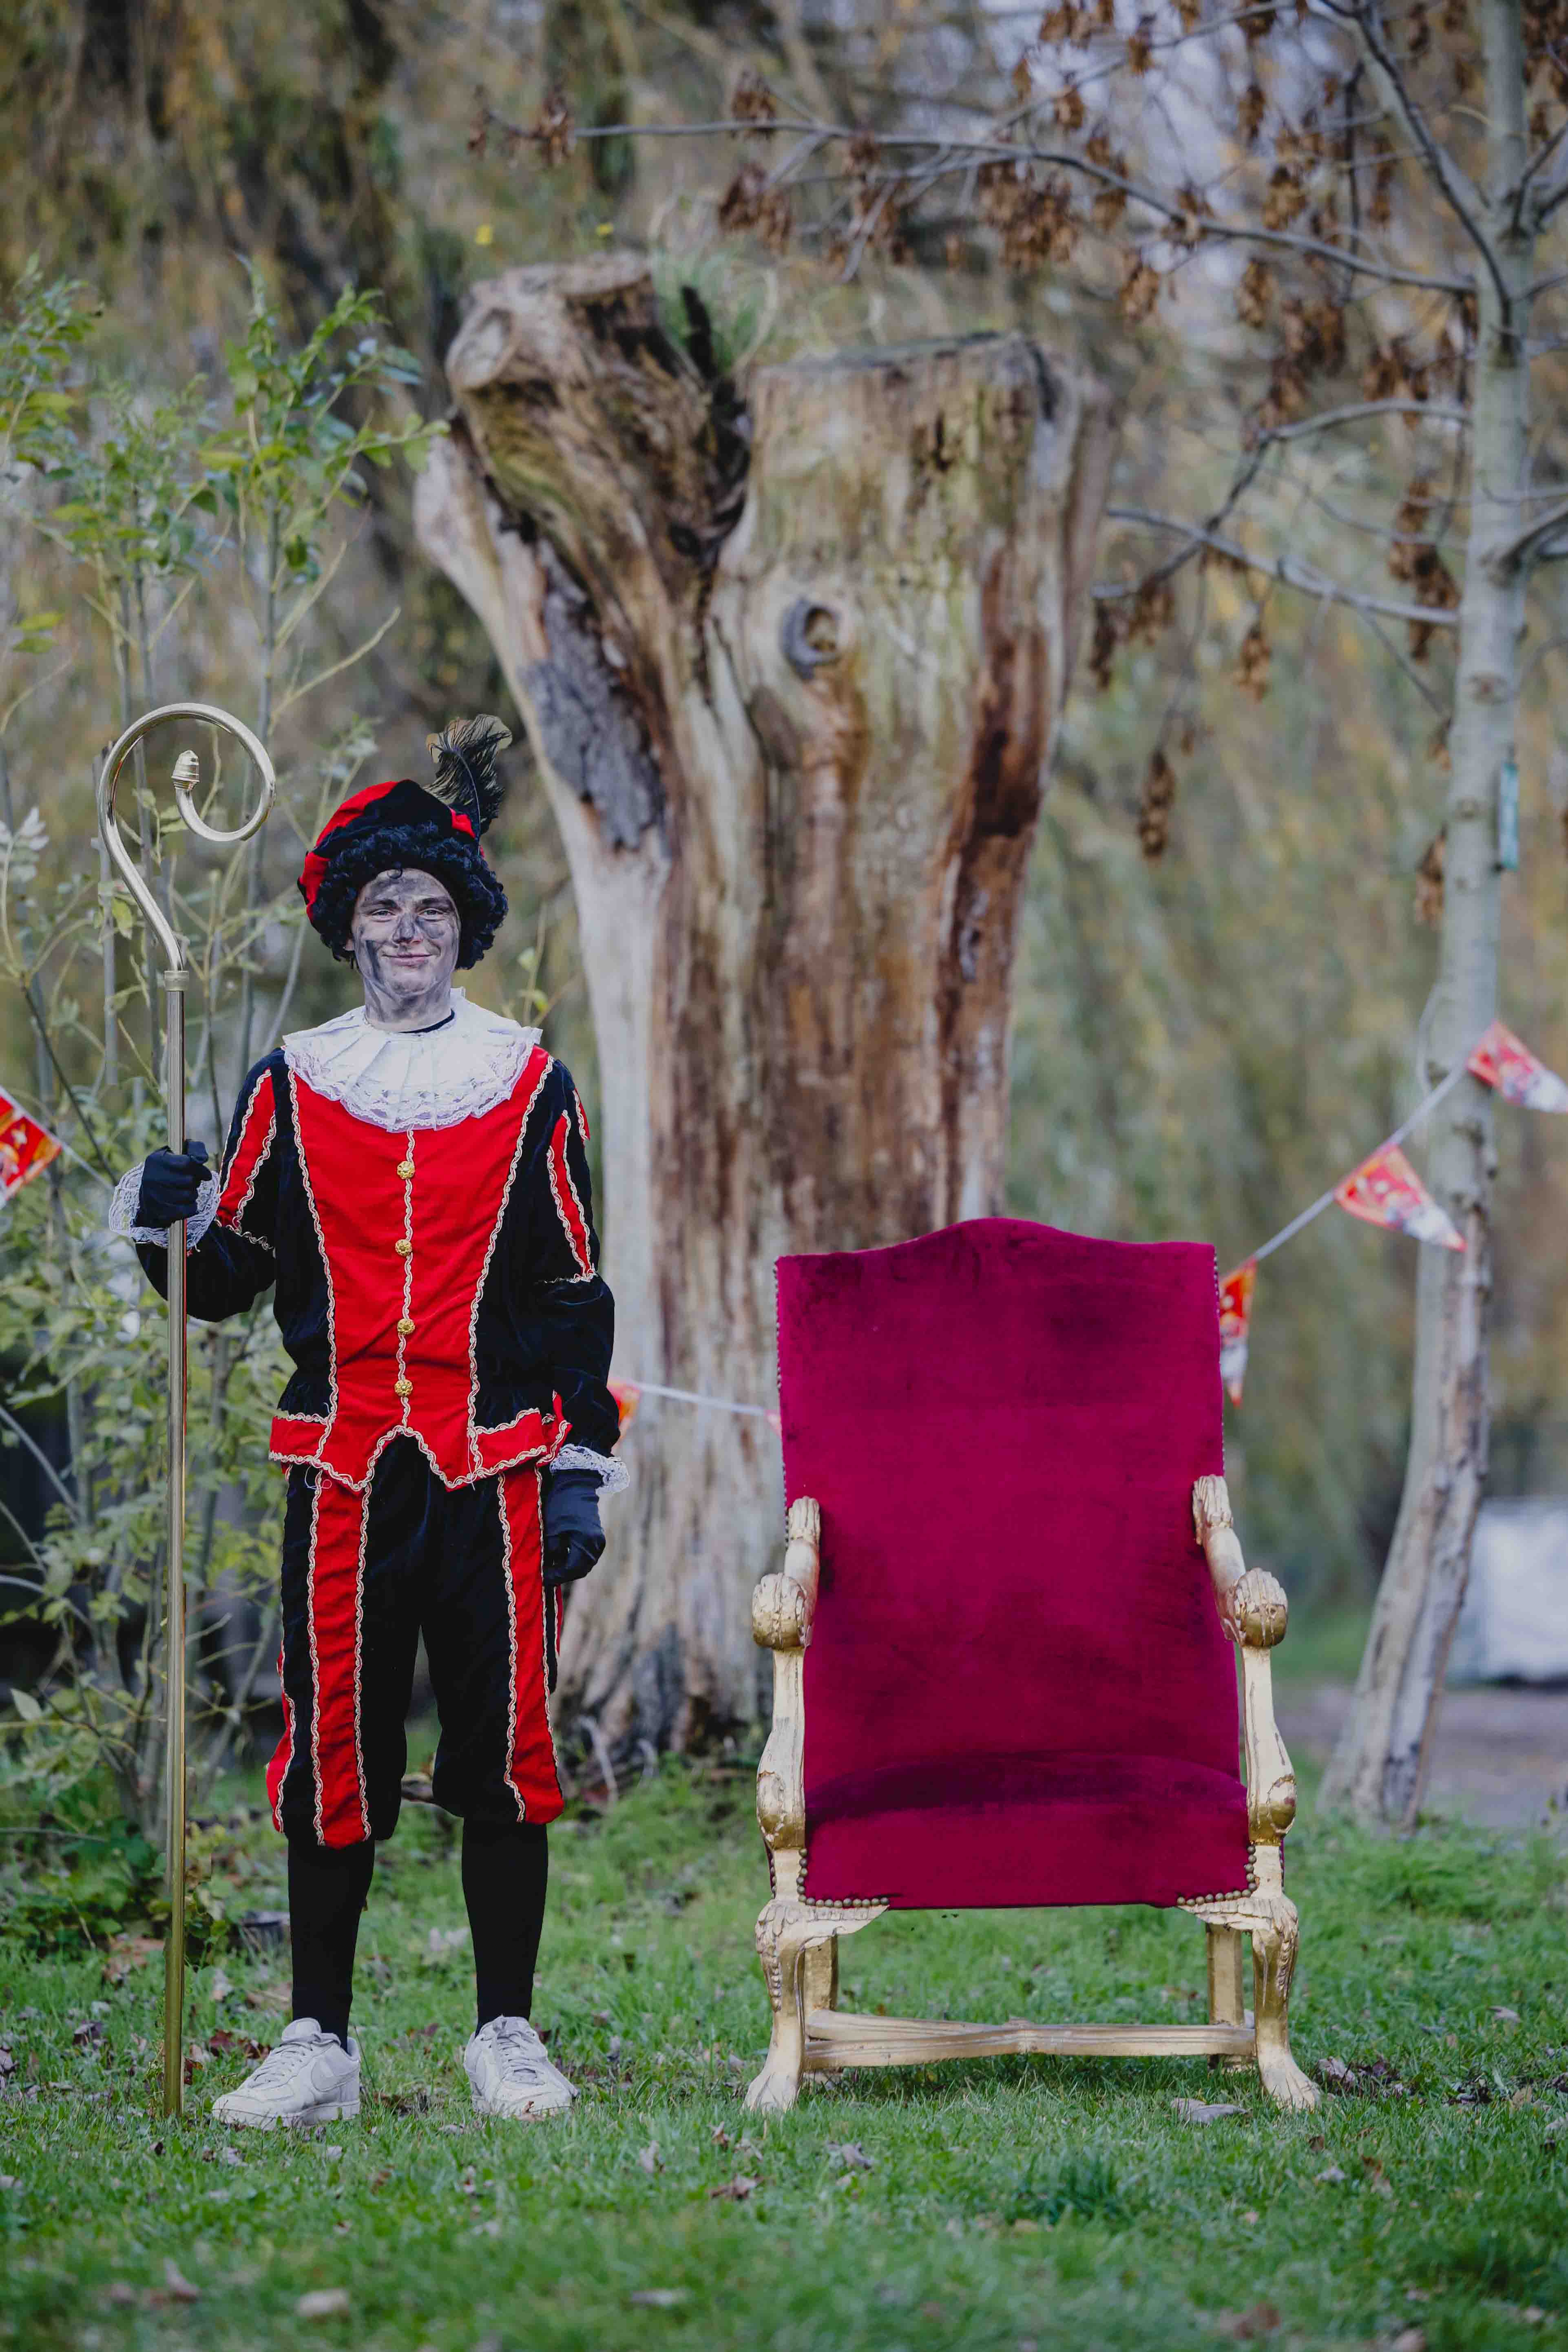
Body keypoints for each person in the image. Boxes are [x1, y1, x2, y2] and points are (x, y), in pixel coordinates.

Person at [111, 717, 624, 2128]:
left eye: (433, 910)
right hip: (340, 1470)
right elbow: (225, 1279)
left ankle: (506, 2032)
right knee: (331, 1744)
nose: (410, 930)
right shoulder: (292, 1081)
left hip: (495, 1470)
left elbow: (571, 1290)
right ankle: (318, 2043)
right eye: (387, 908)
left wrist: (578, 1468)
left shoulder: (530, 1083)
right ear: (351, 928)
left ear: (465, 930)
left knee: (505, 1747)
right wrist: (167, 1222)